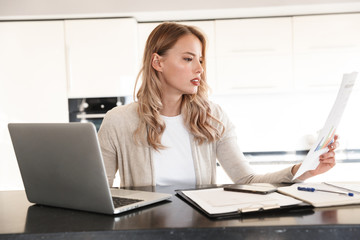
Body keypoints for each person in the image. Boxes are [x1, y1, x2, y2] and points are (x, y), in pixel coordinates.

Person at [98, 22, 338, 188]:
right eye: (188, 59)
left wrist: (304, 170)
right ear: (157, 62)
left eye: (200, 60)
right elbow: (101, 191)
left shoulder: (213, 117)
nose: (199, 69)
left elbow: (246, 181)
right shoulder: (118, 121)